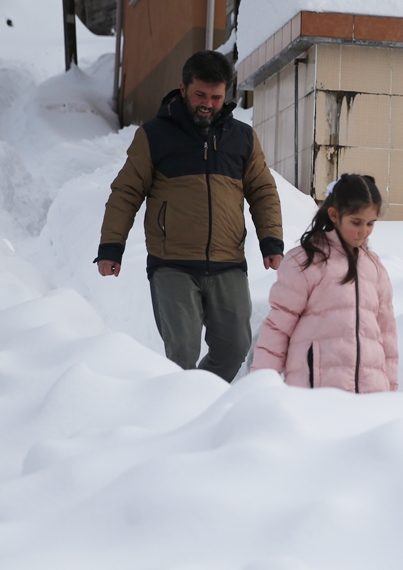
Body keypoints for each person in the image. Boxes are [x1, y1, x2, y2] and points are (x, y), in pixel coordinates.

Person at [96, 50, 283, 382]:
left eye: (216, 96)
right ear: (183, 89)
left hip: (228, 263)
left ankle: (196, 398)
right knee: (181, 353)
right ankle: (179, 413)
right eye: (200, 94)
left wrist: (271, 241)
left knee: (234, 347)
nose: (208, 103)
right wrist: (112, 246)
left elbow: (263, 191)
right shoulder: (155, 135)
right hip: (173, 264)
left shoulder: (241, 138)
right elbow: (126, 192)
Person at [250, 174, 398, 392]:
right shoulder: (306, 262)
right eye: (356, 222)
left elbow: (387, 335)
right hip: (316, 394)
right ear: (334, 215)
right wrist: (261, 386)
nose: (363, 231)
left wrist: (391, 393)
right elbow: (278, 329)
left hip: (369, 396)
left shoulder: (374, 268)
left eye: (370, 223)